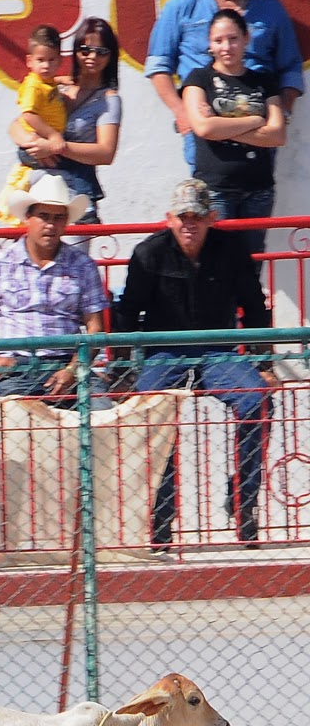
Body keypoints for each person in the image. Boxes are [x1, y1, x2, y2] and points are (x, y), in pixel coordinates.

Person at [117, 179, 273, 548]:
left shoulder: (231, 251)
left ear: (211, 218)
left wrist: (263, 362)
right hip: (163, 351)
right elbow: (125, 313)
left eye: (198, 216)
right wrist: (122, 371)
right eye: (183, 216)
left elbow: (254, 306)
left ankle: (244, 500)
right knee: (149, 412)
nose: (190, 223)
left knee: (257, 400)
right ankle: (160, 514)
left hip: (218, 351)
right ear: (170, 218)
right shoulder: (148, 253)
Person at [0, 173, 111, 409]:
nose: (50, 225)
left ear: (66, 222)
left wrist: (73, 369)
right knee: (16, 425)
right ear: (28, 218)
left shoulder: (83, 266)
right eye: (43, 216)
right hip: (16, 369)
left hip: (67, 362)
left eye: (58, 217)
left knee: (102, 415)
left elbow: (95, 327)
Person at [146, 0, 302, 171]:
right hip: (205, 126)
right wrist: (181, 112)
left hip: (259, 127)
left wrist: (283, 112)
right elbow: (159, 64)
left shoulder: (270, 7)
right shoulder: (182, 5)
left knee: (258, 191)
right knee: (209, 193)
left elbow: (290, 67)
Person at [181, 8, 288, 267]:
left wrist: (223, 124)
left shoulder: (263, 81)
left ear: (246, 38)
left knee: (251, 266)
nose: (226, 47)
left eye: (233, 38)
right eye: (218, 40)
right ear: (210, 44)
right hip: (216, 189)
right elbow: (204, 129)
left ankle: (250, 310)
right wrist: (255, 120)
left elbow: (278, 134)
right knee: (216, 266)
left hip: (259, 190)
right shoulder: (199, 79)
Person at [10, 17, 123, 225]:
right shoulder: (55, 87)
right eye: (85, 49)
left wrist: (55, 148)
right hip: (39, 190)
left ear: (111, 56)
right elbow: (17, 124)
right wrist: (34, 142)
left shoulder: (109, 100)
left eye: (102, 51)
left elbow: (106, 153)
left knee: (74, 256)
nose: (92, 57)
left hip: (74, 199)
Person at [0, 26, 87, 221]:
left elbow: (52, 84)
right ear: (29, 61)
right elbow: (28, 115)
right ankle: (84, 210)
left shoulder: (47, 82)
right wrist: (52, 135)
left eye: (51, 60)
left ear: (60, 61)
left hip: (44, 144)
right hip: (36, 145)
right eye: (40, 60)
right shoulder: (33, 85)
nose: (46, 65)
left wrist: (62, 79)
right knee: (71, 171)